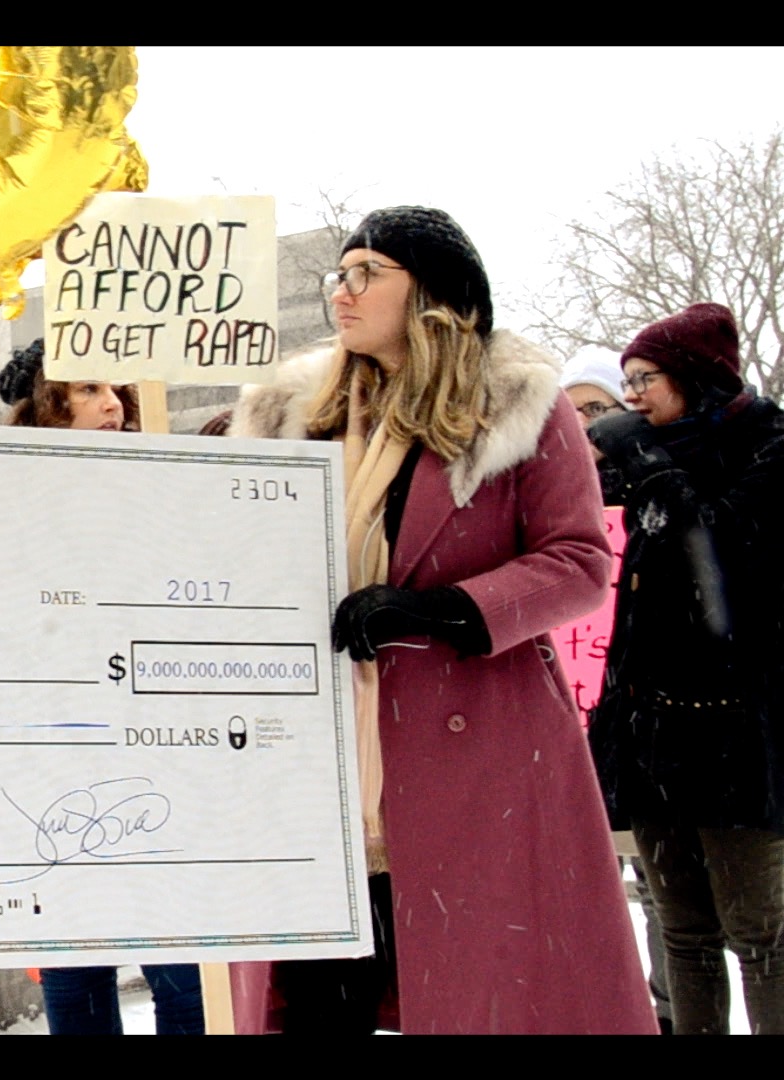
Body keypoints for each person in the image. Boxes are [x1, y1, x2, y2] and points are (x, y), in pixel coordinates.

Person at [225, 206, 655, 1034]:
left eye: (364, 274)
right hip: (313, 761)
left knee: (473, 991)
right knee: (316, 998)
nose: (340, 294)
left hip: (475, 759)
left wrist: (444, 610)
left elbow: (579, 563)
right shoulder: (288, 412)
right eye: (336, 276)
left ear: (429, 290)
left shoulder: (519, 406)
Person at [0, 340, 206, 1035]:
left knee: (183, 965)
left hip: (158, 753)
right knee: (76, 965)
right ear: (44, 410)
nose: (112, 402)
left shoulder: (165, 490)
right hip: (51, 760)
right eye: (86, 388)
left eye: (116, 387)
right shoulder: (3, 503)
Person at [585, 303, 784, 1035]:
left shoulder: (769, 445)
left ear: (696, 378)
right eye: (626, 380)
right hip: (653, 739)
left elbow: (716, 549)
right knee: (683, 932)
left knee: (759, 933)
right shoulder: (650, 464)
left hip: (737, 741)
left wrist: (645, 464)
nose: (631, 396)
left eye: (645, 379)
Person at [559, 351, 674, 1034]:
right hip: (572, 720)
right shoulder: (545, 491)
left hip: (646, 717)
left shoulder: (661, 486)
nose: (584, 429)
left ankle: (664, 1011)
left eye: (596, 410)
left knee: (661, 889)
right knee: (587, 885)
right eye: (569, 414)